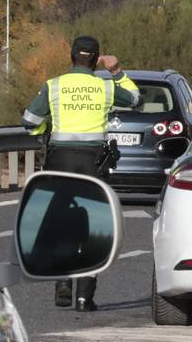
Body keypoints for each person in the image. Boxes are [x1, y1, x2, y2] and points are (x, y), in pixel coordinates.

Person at [22, 35, 140, 311]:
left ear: (71, 57)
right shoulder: (106, 87)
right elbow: (135, 99)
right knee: (93, 227)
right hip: (93, 164)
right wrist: (116, 71)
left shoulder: (54, 86)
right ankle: (85, 297)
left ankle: (63, 282)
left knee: (60, 221)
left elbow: (30, 121)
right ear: (96, 57)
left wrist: (44, 131)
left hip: (59, 161)